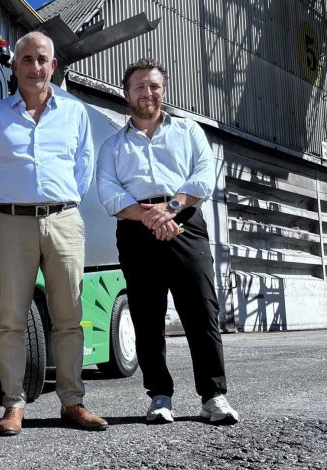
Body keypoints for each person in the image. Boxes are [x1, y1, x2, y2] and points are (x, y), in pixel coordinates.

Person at [0, 31, 107, 435]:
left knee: (69, 317)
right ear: (15, 66)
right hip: (11, 223)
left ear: (53, 66)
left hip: (63, 221)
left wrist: (58, 202)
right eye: (27, 59)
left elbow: (84, 169)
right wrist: (6, 200)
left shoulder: (74, 112)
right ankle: (13, 405)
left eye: (42, 59)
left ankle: (73, 403)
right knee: (10, 317)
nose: (35, 67)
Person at [96, 58, 239, 425]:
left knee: (201, 311)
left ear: (164, 89)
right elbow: (108, 192)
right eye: (140, 86)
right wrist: (148, 215)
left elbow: (204, 175)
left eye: (154, 85)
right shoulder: (113, 145)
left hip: (185, 224)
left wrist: (171, 208)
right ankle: (160, 396)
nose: (147, 92)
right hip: (136, 229)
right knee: (146, 316)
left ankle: (213, 396)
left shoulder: (188, 130)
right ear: (126, 93)